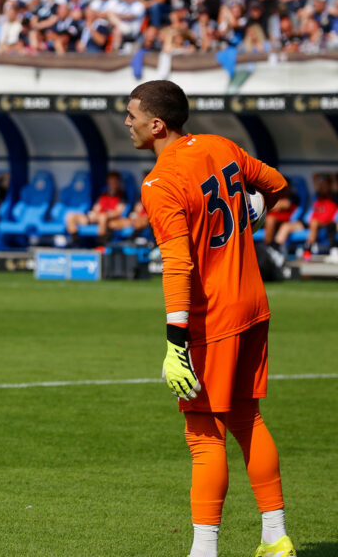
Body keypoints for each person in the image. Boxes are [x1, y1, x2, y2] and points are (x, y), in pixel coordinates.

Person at [127, 80, 294, 557]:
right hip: (253, 302)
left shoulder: (160, 183)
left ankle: (204, 551)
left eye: (131, 114)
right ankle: (274, 538)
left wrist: (175, 342)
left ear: (156, 124)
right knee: (247, 417)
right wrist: (251, 212)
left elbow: (178, 264)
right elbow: (277, 186)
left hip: (213, 314)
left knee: (203, 434)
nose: (126, 122)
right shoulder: (221, 145)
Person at [273, 174, 337, 261]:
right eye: (321, 185)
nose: (322, 187)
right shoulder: (318, 196)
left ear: (330, 186)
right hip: (309, 223)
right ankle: (275, 251)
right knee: (286, 226)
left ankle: (307, 250)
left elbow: (332, 180)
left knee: (314, 222)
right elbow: (315, 176)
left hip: (325, 224)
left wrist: (332, 175)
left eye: (325, 185)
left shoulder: (334, 196)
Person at [65, 171, 127, 245]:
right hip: (97, 218)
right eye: (110, 181)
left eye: (114, 181)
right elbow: (97, 207)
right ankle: (75, 242)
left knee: (102, 217)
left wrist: (104, 215)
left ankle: (100, 244)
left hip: (108, 219)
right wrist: (94, 214)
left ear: (118, 182)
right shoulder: (103, 194)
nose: (112, 184)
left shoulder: (122, 195)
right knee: (70, 216)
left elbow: (117, 212)